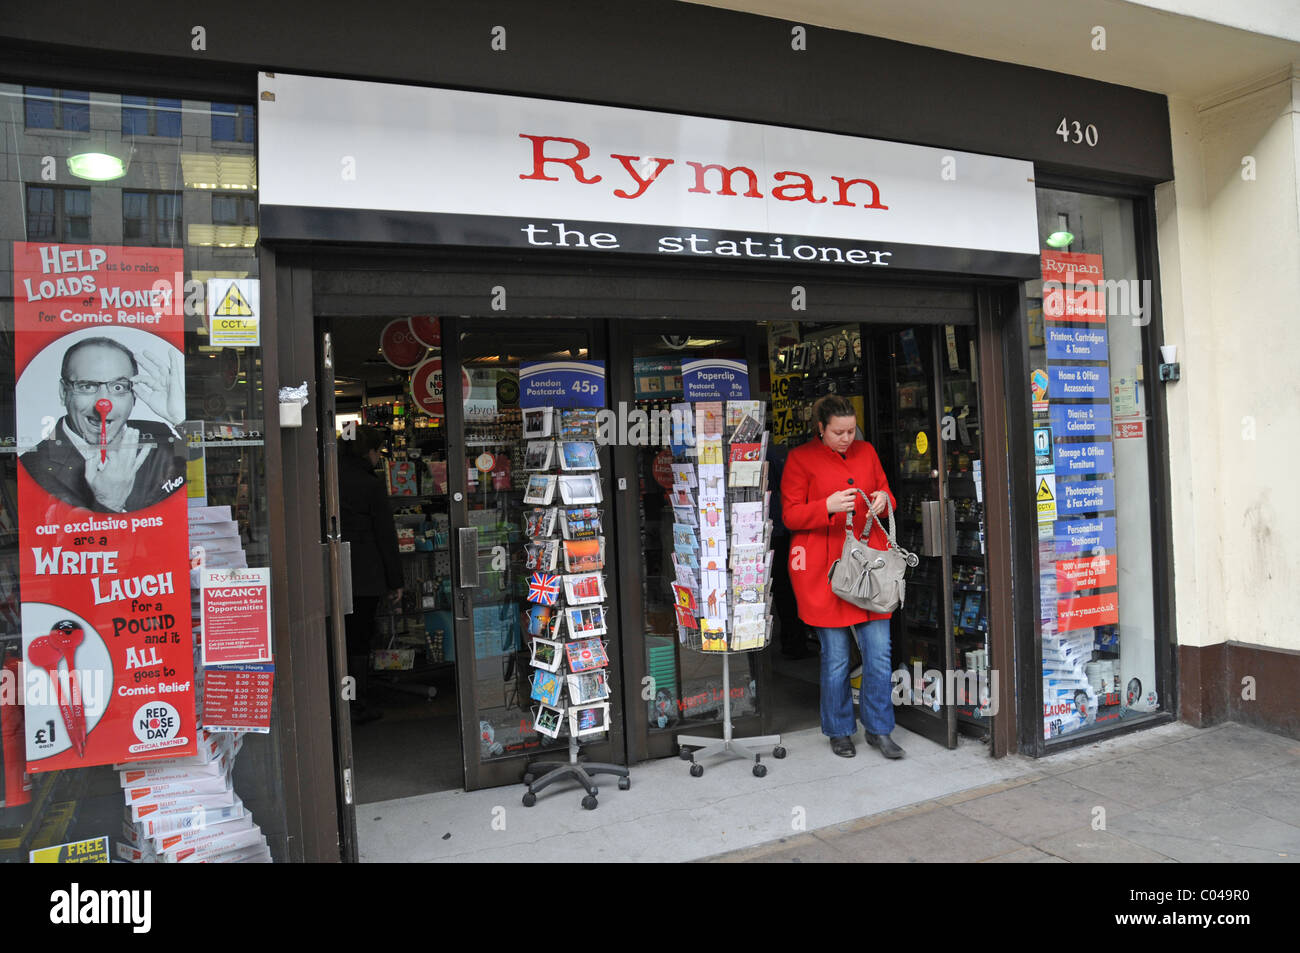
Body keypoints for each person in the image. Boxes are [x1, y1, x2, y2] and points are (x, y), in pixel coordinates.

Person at [780, 394, 904, 760]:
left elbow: (887, 493)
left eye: (851, 430)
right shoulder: (800, 458)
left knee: (879, 654)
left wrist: (884, 499)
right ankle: (839, 730)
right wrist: (827, 507)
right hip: (823, 572)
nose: (846, 438)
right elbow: (790, 516)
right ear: (821, 429)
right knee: (835, 658)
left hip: (868, 568)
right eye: (838, 432)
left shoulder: (867, 452)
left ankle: (880, 730)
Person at [21, 336, 185, 513]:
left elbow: (198, 480)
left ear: (134, 395)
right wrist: (109, 503)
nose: (103, 403)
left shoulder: (157, 434)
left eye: (118, 387)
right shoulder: (31, 469)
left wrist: (180, 419)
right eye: (86, 386)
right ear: (63, 392)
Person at [338, 425, 403, 724]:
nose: (379, 458)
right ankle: (356, 701)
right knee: (360, 640)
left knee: (339, 638)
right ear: (369, 452)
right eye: (378, 452)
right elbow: (385, 536)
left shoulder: (328, 477)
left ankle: (340, 700)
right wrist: (395, 581)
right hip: (365, 575)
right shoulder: (370, 484)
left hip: (333, 573)